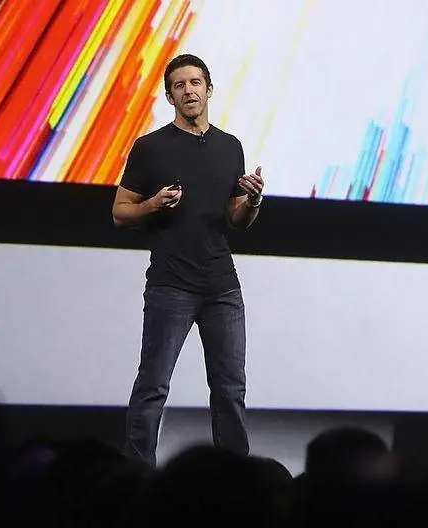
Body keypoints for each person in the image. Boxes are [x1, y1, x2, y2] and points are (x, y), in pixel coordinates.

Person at [112, 54, 264, 466]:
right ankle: (136, 475)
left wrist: (252, 200)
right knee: (153, 387)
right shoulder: (150, 147)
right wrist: (153, 204)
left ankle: (235, 479)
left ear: (209, 89)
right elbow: (120, 212)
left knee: (230, 389)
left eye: (195, 82)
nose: (189, 90)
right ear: (170, 97)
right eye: (179, 85)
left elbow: (237, 218)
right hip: (170, 284)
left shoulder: (230, 146)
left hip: (222, 286)